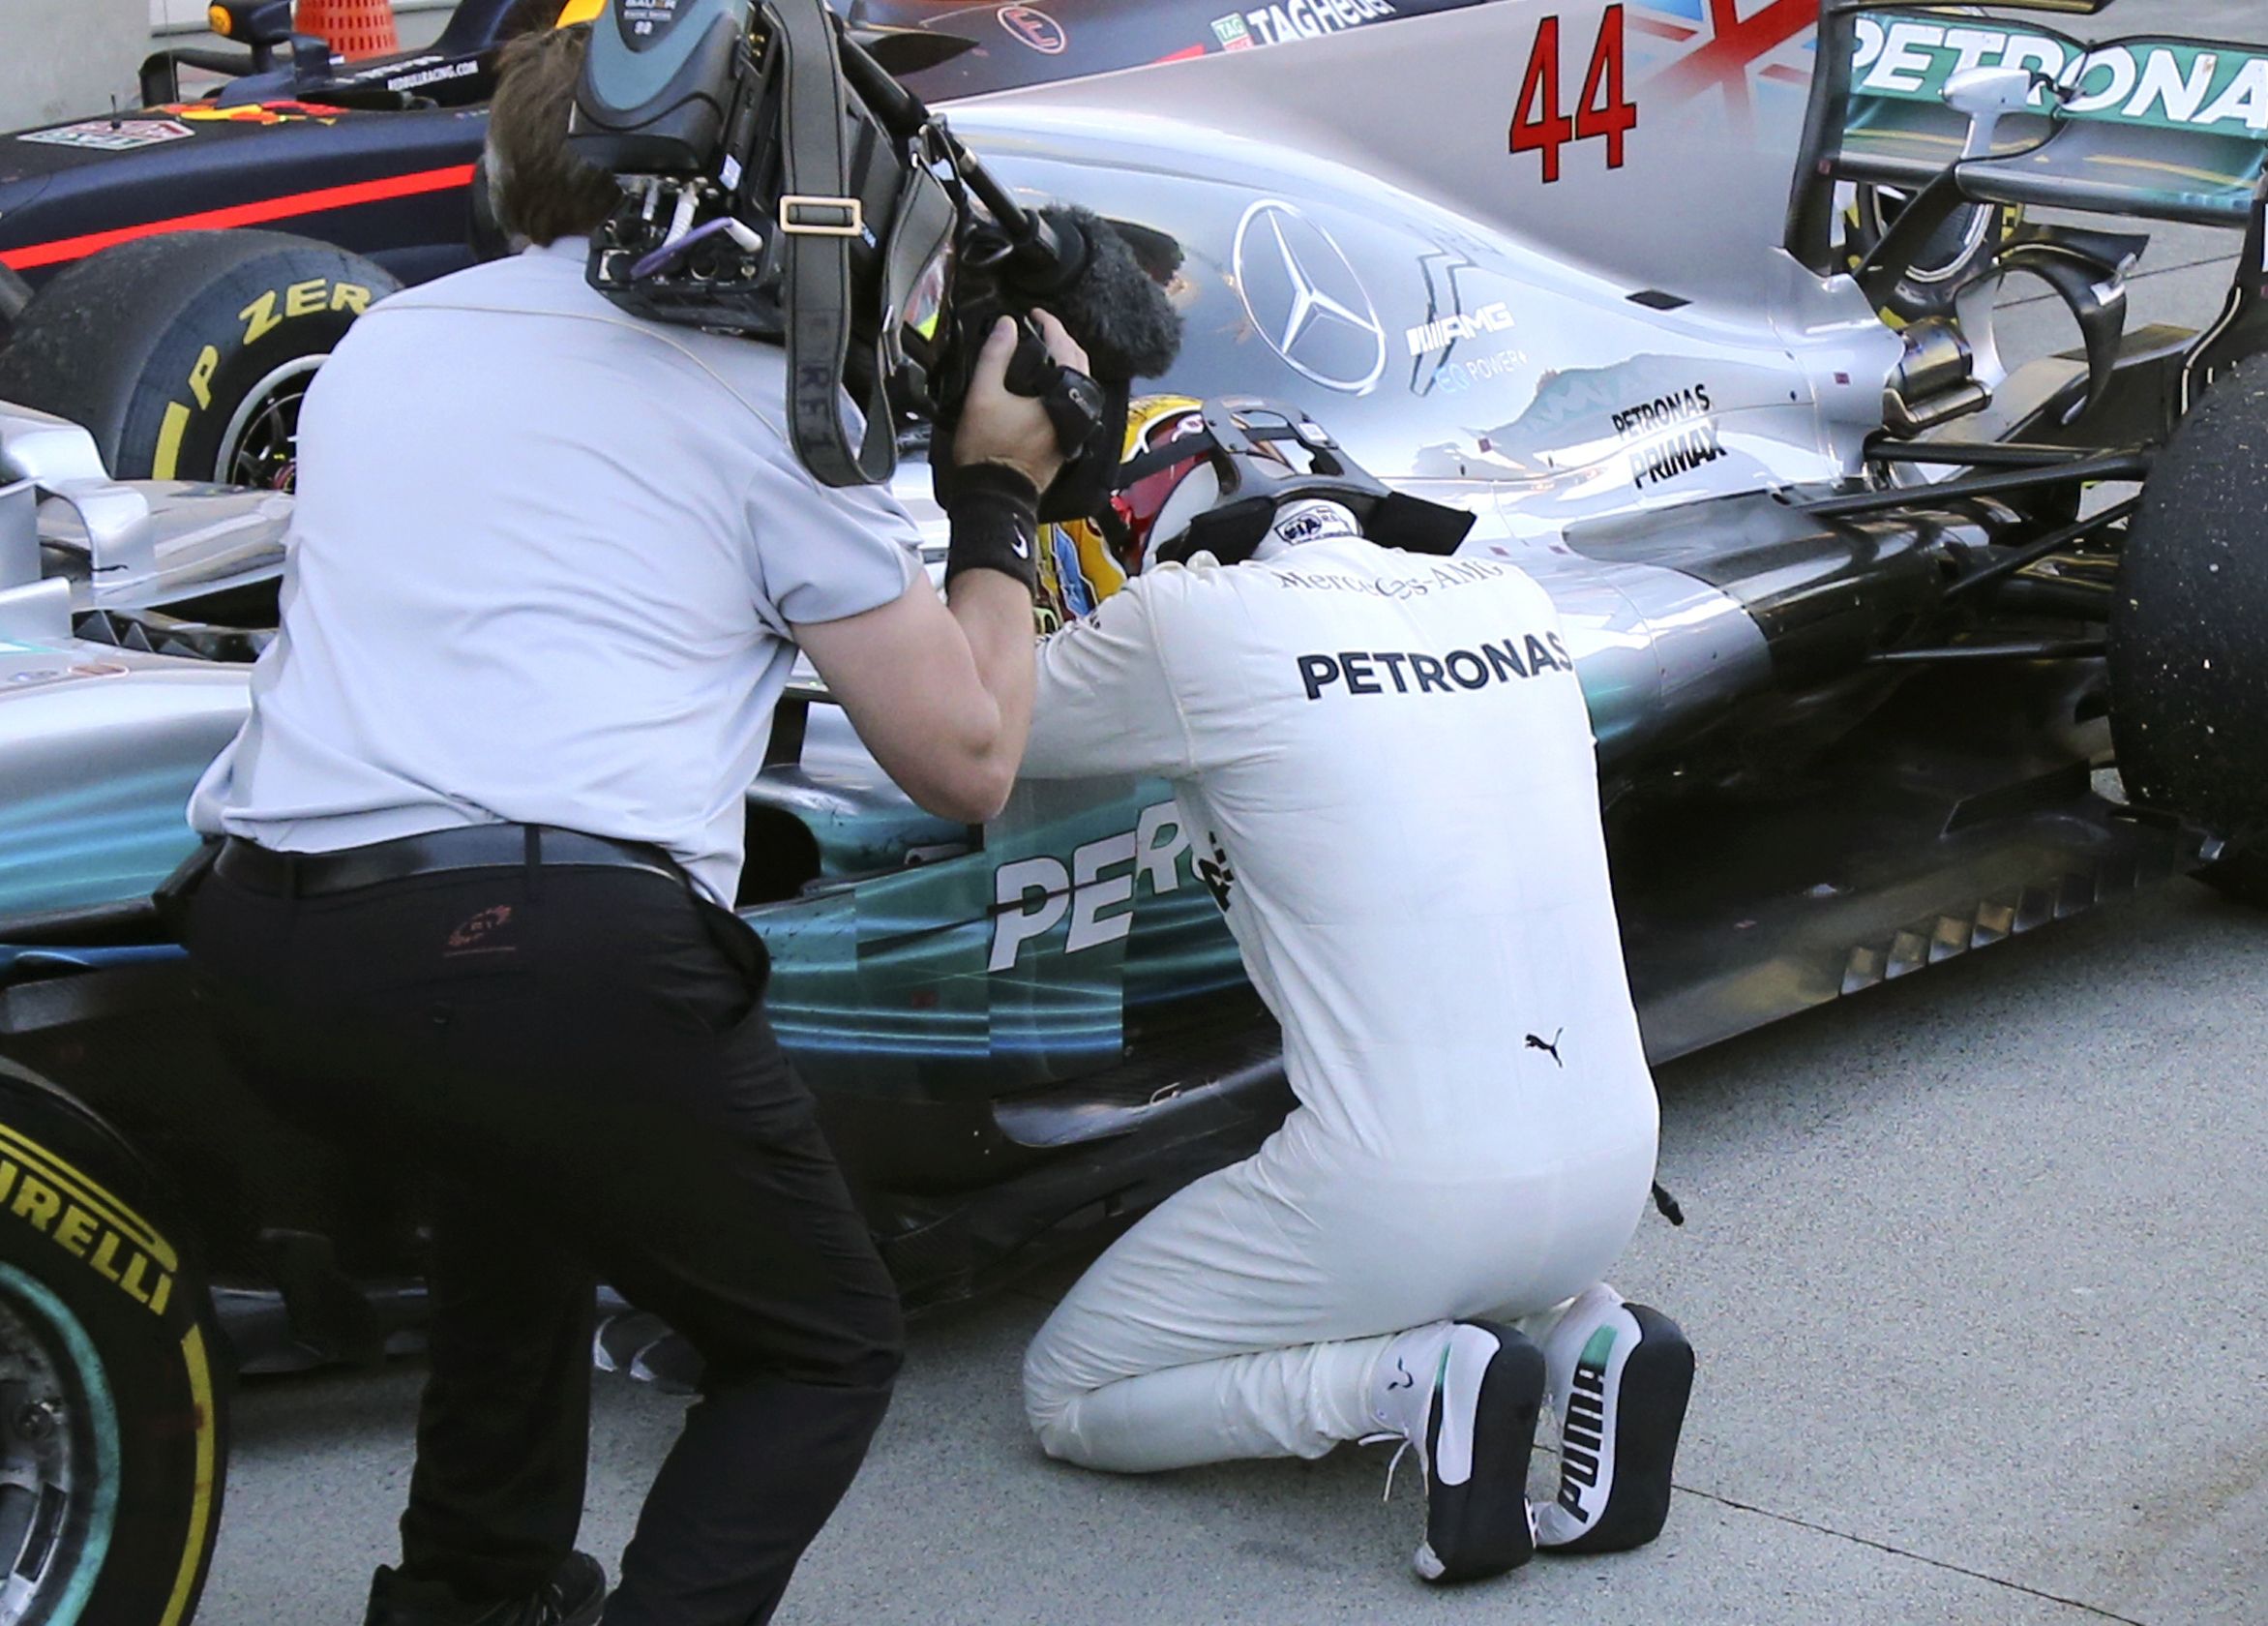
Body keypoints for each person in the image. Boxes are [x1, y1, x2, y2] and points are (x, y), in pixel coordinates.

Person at [177, 23, 1087, 1626]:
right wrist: (998, 497)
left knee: (523, 1190)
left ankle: (468, 1597)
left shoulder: (387, 343)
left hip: (269, 932)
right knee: (817, 1343)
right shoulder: (759, 404)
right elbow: (964, 757)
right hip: (542, 948)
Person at [1015, 400, 1693, 1582]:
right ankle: (1587, 1332)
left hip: (1398, 1190)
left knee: (1068, 1392)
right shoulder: (1507, 593)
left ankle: (1406, 1383)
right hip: (1610, 1167)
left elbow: (963, 731)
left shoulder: (1184, 622)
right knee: (1442, 1222)